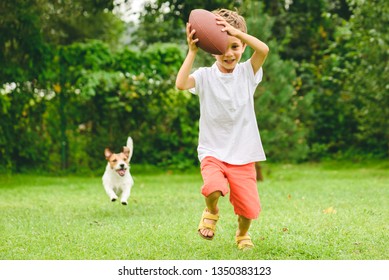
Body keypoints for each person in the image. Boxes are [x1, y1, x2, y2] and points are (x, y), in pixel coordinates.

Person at [175, 8, 269, 250]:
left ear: (243, 47)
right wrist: (192, 51)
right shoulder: (205, 76)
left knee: (248, 209)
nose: (229, 54)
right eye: (222, 48)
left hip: (243, 154)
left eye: (235, 47)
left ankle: (242, 234)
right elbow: (181, 83)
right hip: (212, 151)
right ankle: (211, 210)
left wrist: (236, 32)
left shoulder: (248, 72)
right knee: (213, 188)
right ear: (212, 49)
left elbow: (264, 49)